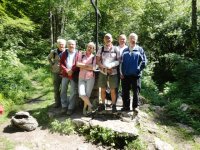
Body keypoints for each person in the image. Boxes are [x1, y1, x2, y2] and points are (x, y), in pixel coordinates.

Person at [120, 33, 147, 112]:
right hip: (125, 75)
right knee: (125, 92)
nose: (132, 39)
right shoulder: (125, 50)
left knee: (136, 92)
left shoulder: (140, 49)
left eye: (134, 38)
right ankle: (126, 107)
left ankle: (135, 107)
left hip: (136, 75)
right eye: (131, 38)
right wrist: (121, 73)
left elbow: (144, 61)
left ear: (136, 39)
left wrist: (138, 69)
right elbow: (121, 62)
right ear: (128, 39)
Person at [96, 33, 120, 112]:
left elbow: (119, 60)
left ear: (112, 39)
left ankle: (113, 105)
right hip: (103, 72)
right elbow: (98, 61)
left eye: (109, 38)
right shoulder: (101, 49)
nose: (107, 39)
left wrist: (112, 65)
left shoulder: (116, 49)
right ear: (104, 40)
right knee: (103, 89)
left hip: (113, 72)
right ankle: (102, 104)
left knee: (113, 90)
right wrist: (104, 68)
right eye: (106, 38)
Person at [60, 40, 79, 115]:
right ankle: (64, 106)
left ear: (75, 45)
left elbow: (78, 64)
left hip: (74, 74)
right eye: (70, 44)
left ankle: (71, 107)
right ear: (67, 45)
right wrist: (66, 70)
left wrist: (72, 70)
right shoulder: (64, 53)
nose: (71, 46)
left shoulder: (78, 53)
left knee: (73, 92)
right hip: (65, 74)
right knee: (63, 90)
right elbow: (61, 63)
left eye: (73, 44)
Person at [76, 42, 96, 116]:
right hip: (81, 77)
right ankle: (91, 106)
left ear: (93, 49)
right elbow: (77, 64)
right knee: (81, 94)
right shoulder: (81, 54)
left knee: (87, 95)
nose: (90, 48)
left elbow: (93, 67)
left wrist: (83, 65)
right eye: (89, 47)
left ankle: (85, 108)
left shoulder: (94, 57)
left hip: (90, 77)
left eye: (92, 47)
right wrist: (87, 65)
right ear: (86, 47)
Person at [48, 39, 66, 108]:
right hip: (56, 72)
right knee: (56, 88)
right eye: (60, 44)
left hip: (65, 72)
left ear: (65, 45)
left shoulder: (67, 51)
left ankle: (63, 102)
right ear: (57, 45)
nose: (61, 45)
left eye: (63, 44)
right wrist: (52, 64)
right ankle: (57, 102)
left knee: (63, 89)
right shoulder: (54, 52)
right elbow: (49, 58)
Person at [116, 34, 128, 100]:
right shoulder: (115, 48)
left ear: (126, 40)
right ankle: (114, 103)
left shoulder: (128, 49)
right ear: (118, 40)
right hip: (115, 69)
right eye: (121, 39)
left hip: (125, 70)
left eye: (123, 39)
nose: (122, 40)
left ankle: (125, 104)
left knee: (125, 87)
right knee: (115, 87)